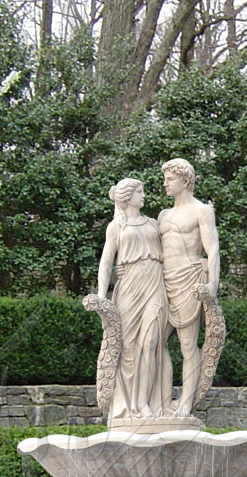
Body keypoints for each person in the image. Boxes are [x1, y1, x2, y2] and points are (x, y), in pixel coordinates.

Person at [96, 178, 168, 420]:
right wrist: (100, 297)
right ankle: (127, 407)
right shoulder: (116, 226)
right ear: (127, 197)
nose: (144, 196)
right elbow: (106, 263)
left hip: (155, 286)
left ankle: (144, 403)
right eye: (140, 191)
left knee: (150, 343)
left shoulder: (153, 223)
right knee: (128, 349)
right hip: (128, 290)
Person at [158, 158, 220, 417]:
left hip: (189, 280)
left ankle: (185, 401)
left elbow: (213, 247)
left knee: (186, 345)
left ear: (185, 180)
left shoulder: (201, 210)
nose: (165, 184)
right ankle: (160, 402)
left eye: (169, 179)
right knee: (153, 343)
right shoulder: (163, 215)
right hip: (162, 283)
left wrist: (213, 284)